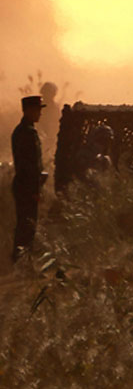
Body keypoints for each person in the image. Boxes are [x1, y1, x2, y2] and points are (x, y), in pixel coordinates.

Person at [11, 94, 46, 263]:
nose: (40, 113)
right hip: (27, 186)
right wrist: (34, 188)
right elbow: (28, 166)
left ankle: (23, 261)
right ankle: (21, 262)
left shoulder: (25, 131)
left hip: (25, 185)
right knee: (26, 227)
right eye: (38, 110)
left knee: (26, 226)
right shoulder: (26, 133)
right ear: (29, 111)